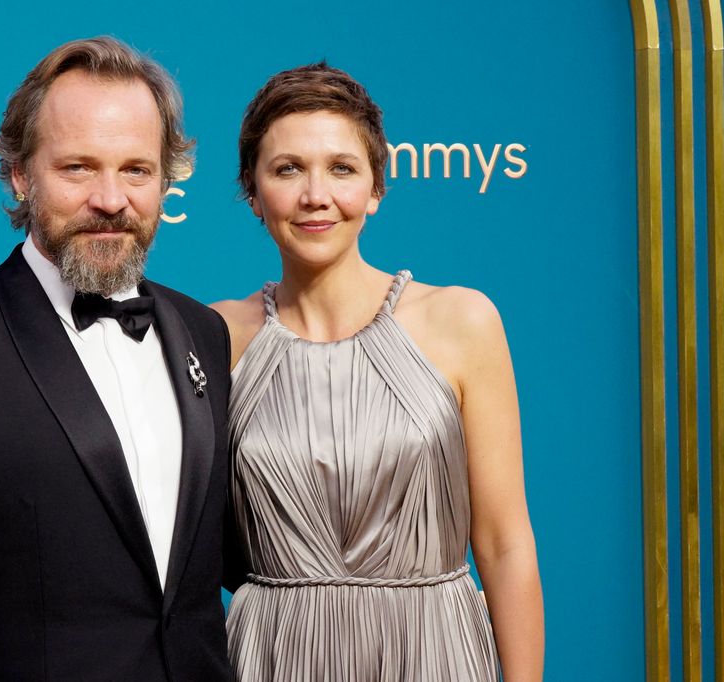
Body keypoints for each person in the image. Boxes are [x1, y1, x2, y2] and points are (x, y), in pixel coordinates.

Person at [0, 37, 233, 681]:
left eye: (136, 169)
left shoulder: (203, 330)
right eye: (78, 168)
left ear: (166, 178)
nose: (111, 198)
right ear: (22, 174)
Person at [212, 63, 544, 681]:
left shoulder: (462, 321)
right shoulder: (215, 337)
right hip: (274, 657)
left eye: (342, 168)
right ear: (253, 193)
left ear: (375, 189)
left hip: (432, 652)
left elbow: (503, 541)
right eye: (288, 169)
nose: (316, 195)